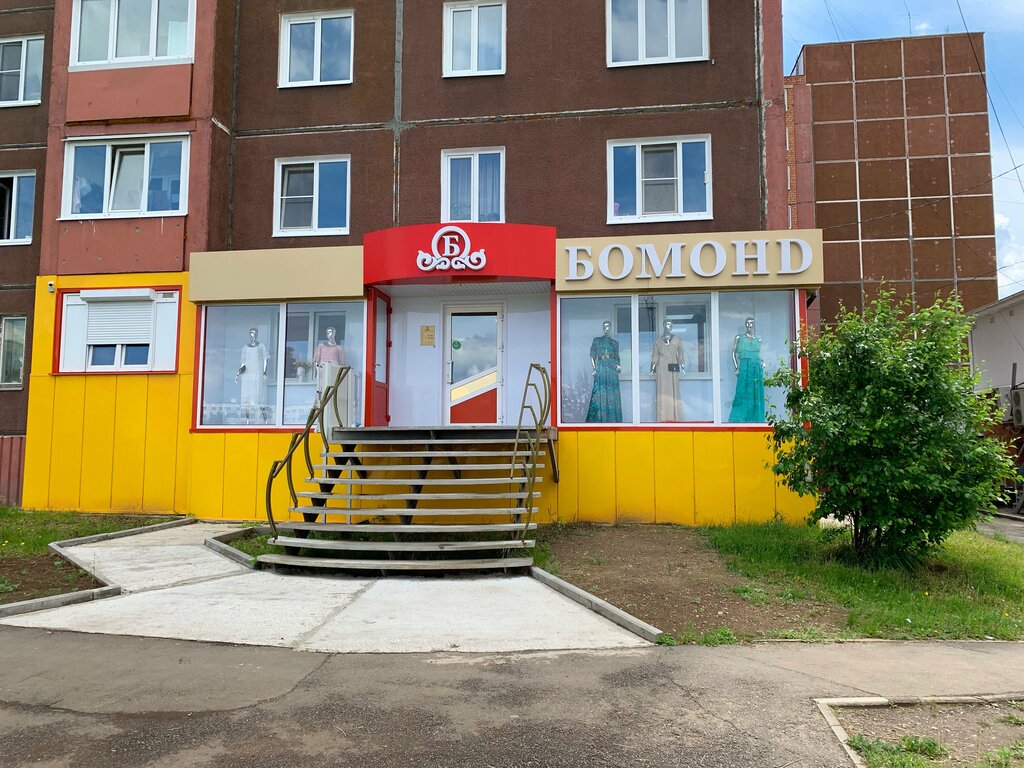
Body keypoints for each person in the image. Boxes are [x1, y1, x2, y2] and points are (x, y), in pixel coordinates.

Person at [728, 317, 765, 423]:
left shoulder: (758, 339)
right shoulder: (739, 338)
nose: (749, 325)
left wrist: (763, 362)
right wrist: (736, 367)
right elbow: (733, 353)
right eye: (747, 323)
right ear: (745, 324)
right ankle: (739, 419)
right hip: (744, 367)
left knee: (756, 392)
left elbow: (757, 355)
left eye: (751, 323)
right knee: (742, 391)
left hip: (756, 368)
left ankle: (756, 419)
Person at [586, 320, 623, 423]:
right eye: (604, 326)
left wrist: (618, 365)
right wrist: (594, 369)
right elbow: (592, 355)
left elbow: (617, 357)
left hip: (612, 368)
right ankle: (599, 420)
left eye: (608, 326)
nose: (606, 328)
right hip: (601, 366)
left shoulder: (614, 343)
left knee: (611, 393)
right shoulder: (597, 341)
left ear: (610, 328)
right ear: (602, 328)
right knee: (599, 393)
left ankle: (613, 420)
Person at [650, 319, 685, 421]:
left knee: (673, 392)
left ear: (672, 327)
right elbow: (655, 356)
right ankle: (662, 418)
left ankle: (675, 418)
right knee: (662, 391)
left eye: (669, 325)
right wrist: (652, 369)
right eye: (666, 324)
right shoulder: (658, 341)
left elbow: (680, 353)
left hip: (673, 366)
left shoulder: (677, 339)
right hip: (662, 367)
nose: (667, 327)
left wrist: (682, 366)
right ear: (663, 326)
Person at [235, 328, 269, 423]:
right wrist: (238, 374)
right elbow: (243, 363)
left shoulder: (261, 347)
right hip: (247, 375)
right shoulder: (245, 348)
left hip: (257, 374)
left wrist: (264, 372)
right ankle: (247, 421)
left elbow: (265, 359)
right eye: (251, 332)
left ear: (257, 334)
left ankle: (265, 420)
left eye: (254, 333)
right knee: (247, 397)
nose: (253, 334)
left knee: (259, 397)